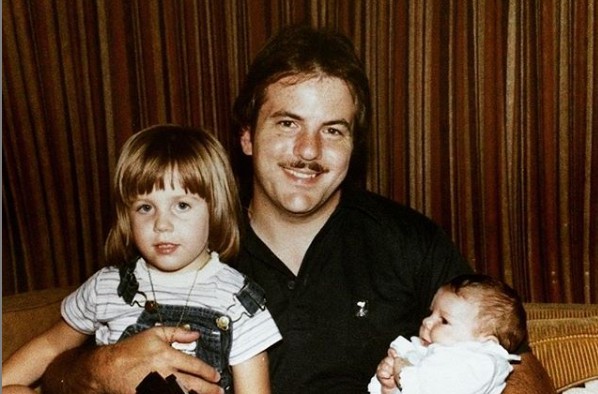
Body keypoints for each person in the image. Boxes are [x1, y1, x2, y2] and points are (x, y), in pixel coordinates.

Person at [41, 26, 555, 394]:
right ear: (246, 135)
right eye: (287, 123)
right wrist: (98, 373)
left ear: (354, 147)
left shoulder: (408, 240)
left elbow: (517, 367)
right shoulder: (178, 235)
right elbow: (57, 360)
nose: (309, 151)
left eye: (333, 130)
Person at [3, 125, 281, 394]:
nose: (161, 224)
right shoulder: (108, 285)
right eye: (145, 207)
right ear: (127, 215)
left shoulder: (237, 298)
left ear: (215, 209)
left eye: (182, 206)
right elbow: (52, 345)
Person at [368, 274, 527, 394]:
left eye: (443, 320)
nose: (426, 322)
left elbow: (430, 388)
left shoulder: (481, 364)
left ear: (485, 342)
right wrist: (390, 387)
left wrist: (402, 370)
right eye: (430, 313)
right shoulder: (426, 353)